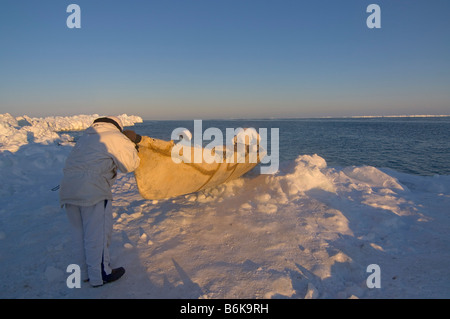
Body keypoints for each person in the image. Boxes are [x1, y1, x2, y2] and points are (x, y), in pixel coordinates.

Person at [60, 116, 142, 287]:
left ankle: (84, 274)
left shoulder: (85, 137)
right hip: (92, 190)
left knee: (79, 235)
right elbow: (129, 165)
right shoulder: (114, 136)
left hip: (67, 189)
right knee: (96, 235)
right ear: (117, 126)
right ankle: (101, 275)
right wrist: (132, 145)